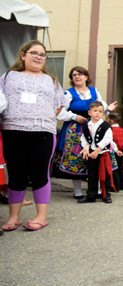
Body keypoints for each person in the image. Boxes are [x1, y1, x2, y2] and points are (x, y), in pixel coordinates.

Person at [0, 40, 65, 232]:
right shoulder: (9, 76)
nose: (39, 57)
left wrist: (41, 117)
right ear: (23, 55)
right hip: (13, 130)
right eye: (34, 53)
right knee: (16, 173)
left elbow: (59, 105)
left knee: (40, 173)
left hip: (42, 132)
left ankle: (41, 216)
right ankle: (13, 217)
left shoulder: (51, 80)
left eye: (42, 54)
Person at [54, 66, 117, 200]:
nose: (77, 77)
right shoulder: (68, 93)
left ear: (86, 77)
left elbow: (101, 107)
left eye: (80, 74)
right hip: (75, 130)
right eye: (74, 75)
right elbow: (59, 112)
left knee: (99, 158)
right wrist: (74, 117)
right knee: (77, 160)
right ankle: (78, 192)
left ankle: (100, 190)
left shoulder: (94, 91)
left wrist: (107, 109)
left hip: (94, 127)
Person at [77, 101, 115, 204]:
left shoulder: (106, 126)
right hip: (91, 153)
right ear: (89, 112)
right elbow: (84, 137)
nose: (98, 113)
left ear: (103, 113)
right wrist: (85, 147)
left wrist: (97, 150)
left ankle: (106, 195)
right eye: (95, 111)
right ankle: (91, 195)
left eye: (100, 111)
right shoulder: (86, 125)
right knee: (92, 175)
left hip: (102, 153)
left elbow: (108, 139)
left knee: (104, 175)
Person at [108, 112, 123, 191]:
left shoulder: (110, 130)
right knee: (120, 168)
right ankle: (121, 185)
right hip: (121, 152)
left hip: (113, 152)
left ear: (112, 120)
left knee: (114, 169)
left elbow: (111, 141)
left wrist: (116, 150)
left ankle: (115, 187)